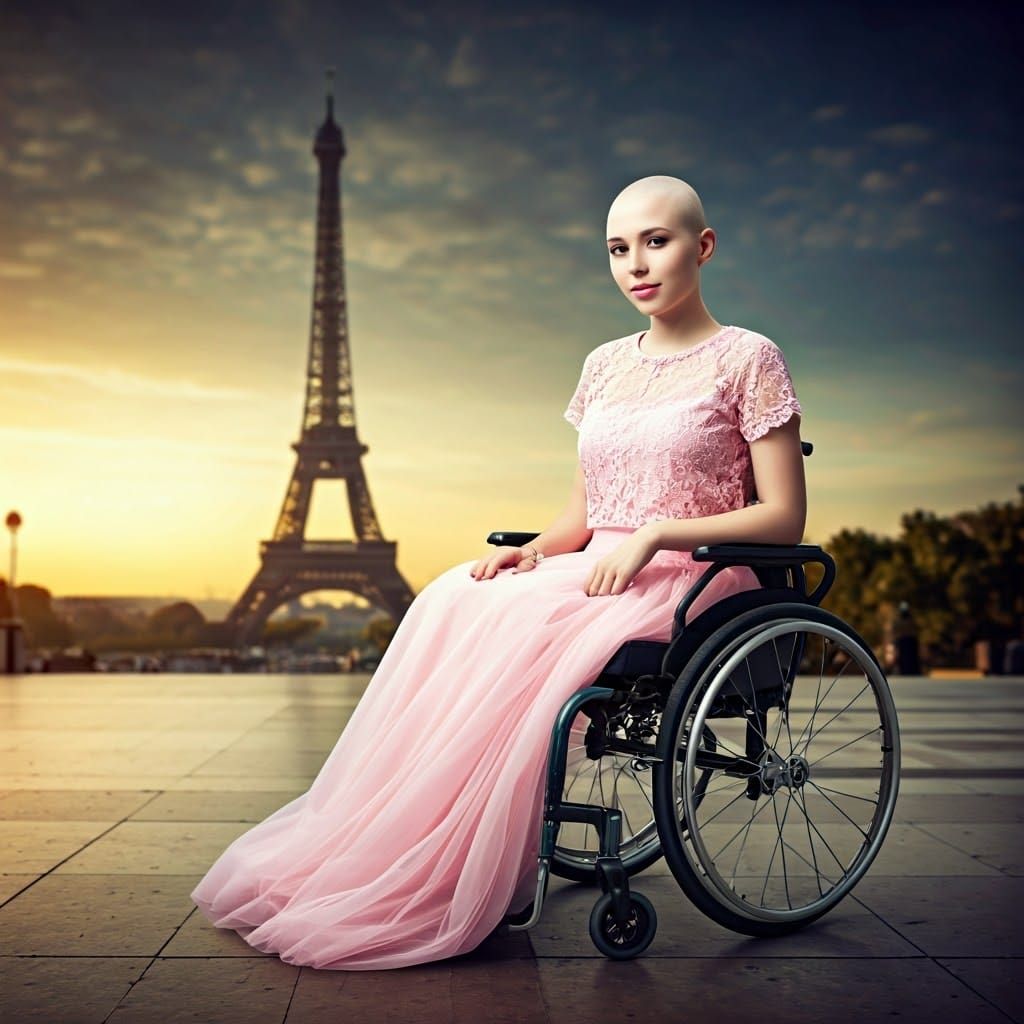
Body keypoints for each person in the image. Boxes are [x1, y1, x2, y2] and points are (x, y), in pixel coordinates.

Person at [190, 174, 807, 970]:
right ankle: (423, 843)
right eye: (617, 248)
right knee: (454, 596)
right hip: (598, 565)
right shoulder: (604, 365)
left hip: (695, 575)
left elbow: (783, 517)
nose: (636, 265)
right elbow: (585, 513)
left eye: (657, 242)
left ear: (704, 246)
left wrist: (658, 535)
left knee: (520, 626)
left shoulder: (750, 358)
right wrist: (536, 550)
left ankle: (468, 847)